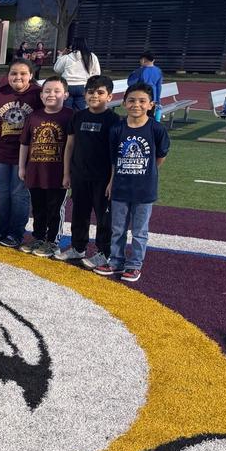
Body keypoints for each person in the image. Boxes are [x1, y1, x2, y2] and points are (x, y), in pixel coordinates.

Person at [93, 83, 170, 282]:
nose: (136, 104)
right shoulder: (117, 129)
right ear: (124, 103)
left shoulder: (156, 129)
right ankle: (116, 261)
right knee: (117, 229)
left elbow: (160, 156)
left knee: (139, 231)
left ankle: (135, 265)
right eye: (132, 100)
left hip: (144, 189)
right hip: (120, 188)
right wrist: (112, 181)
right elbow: (114, 159)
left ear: (151, 105)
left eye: (142, 101)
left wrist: (147, 172)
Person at [58, 74, 121, 267]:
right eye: (91, 92)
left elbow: (116, 154)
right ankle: (78, 247)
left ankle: (104, 252)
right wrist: (66, 173)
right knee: (79, 213)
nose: (95, 96)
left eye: (100, 92)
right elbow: (69, 145)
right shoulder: (78, 116)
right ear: (85, 94)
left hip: (102, 178)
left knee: (104, 217)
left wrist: (112, 180)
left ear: (109, 96)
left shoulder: (114, 120)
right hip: (79, 175)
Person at [0, 58, 42, 247]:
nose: (18, 77)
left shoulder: (38, 94)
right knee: (3, 194)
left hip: (24, 156)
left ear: (31, 75)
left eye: (23, 73)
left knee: (19, 194)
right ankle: (2, 229)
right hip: (1, 154)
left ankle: (16, 234)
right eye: (14, 73)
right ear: (7, 75)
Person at [18, 76, 73, 258]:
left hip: (57, 174)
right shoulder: (34, 116)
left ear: (65, 95)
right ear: (41, 95)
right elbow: (25, 143)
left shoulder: (70, 116)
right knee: (38, 208)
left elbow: (73, 146)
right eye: (47, 91)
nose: (51, 94)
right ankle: (38, 237)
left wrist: (68, 173)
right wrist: (22, 167)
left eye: (57, 91)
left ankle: (53, 242)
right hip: (35, 172)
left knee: (55, 209)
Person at [53, 37, 100, 110]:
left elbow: (57, 69)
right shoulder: (92, 57)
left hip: (67, 86)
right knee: (80, 111)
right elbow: (97, 73)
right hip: (83, 86)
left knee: (66, 110)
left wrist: (61, 56)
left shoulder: (67, 57)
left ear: (73, 45)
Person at [127, 52, 164, 122]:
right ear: (153, 60)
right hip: (153, 98)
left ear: (143, 60)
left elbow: (130, 83)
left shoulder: (140, 71)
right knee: (150, 117)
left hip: (141, 97)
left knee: (138, 117)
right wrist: (158, 100)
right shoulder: (158, 70)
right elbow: (159, 86)